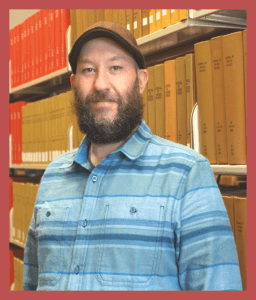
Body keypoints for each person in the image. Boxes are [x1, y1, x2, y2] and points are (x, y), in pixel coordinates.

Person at [23, 21, 242, 291]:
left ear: (140, 81)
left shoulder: (186, 173)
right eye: (88, 70)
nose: (100, 83)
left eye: (115, 68)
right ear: (74, 84)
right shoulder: (53, 176)